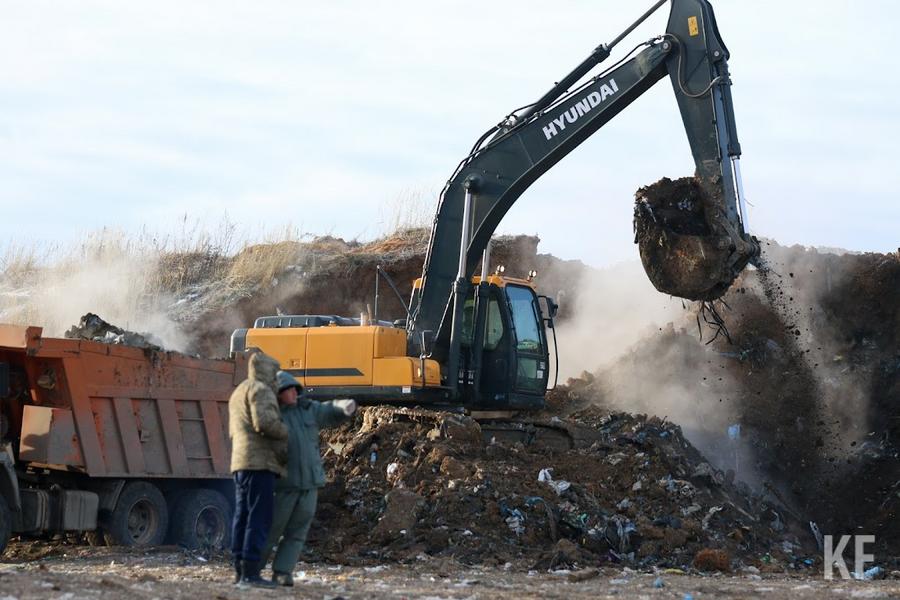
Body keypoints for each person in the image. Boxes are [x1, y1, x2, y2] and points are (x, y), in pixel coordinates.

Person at [262, 370, 357, 586]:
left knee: (297, 533)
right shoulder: (271, 416)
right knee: (271, 531)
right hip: (284, 485)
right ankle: (251, 570)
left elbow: (329, 410)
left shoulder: (308, 410)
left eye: (295, 389)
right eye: (288, 390)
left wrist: (344, 406)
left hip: (309, 484)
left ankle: (282, 572)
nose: (294, 393)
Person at [228, 351, 289, 588]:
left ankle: (239, 569)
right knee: (259, 517)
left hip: (241, 463)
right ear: (268, 371)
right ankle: (251, 572)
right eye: (275, 374)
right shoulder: (261, 390)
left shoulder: (240, 390)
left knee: (241, 515)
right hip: (259, 463)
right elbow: (264, 423)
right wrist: (287, 432)